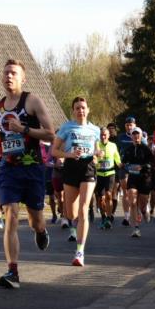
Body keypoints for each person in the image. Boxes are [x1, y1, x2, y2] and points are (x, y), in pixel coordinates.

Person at [0, 59, 56, 289]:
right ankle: (13, 271)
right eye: (6, 72)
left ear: (23, 78)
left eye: (13, 73)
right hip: (8, 169)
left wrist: (24, 129)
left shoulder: (32, 101)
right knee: (10, 214)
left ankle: (41, 230)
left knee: (35, 219)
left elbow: (50, 134)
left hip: (32, 168)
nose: (9, 76)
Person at [51, 96, 102, 267]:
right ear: (73, 111)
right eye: (77, 108)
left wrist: (98, 153)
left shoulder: (95, 130)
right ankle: (74, 224)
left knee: (83, 209)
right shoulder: (66, 127)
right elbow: (54, 151)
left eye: (83, 107)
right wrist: (69, 155)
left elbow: (97, 149)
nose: (81, 110)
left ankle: (80, 252)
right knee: (72, 214)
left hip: (88, 168)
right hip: (71, 167)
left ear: (88, 110)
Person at [121, 127, 155, 238]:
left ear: (141, 136)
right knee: (132, 201)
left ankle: (144, 211)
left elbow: (153, 163)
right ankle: (136, 228)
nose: (136, 136)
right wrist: (123, 164)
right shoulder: (128, 149)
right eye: (134, 134)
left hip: (145, 178)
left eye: (138, 134)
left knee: (142, 205)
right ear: (131, 136)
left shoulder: (146, 149)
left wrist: (143, 167)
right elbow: (124, 161)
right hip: (133, 178)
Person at [94, 126, 121, 230]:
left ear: (109, 135)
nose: (103, 137)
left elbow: (117, 157)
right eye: (101, 135)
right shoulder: (96, 145)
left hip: (110, 173)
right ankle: (103, 217)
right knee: (101, 198)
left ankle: (109, 218)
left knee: (109, 194)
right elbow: (93, 158)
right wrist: (96, 158)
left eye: (105, 135)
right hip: (99, 174)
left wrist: (120, 164)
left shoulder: (113, 145)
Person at [116, 117, 138, 226]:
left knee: (134, 191)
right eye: (127, 125)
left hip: (135, 167)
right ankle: (126, 216)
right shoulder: (120, 137)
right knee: (125, 190)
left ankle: (139, 207)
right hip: (124, 166)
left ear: (135, 125)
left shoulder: (138, 136)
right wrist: (118, 161)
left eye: (131, 125)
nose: (129, 127)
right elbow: (116, 151)